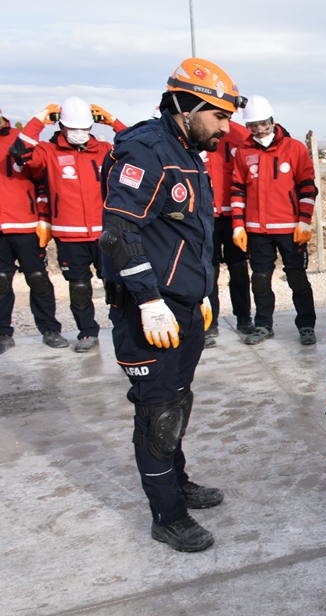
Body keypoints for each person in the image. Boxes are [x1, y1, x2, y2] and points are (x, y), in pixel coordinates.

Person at [100, 57, 246, 553]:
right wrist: (149, 302)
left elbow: (189, 236)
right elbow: (120, 232)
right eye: (219, 117)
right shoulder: (147, 152)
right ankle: (168, 515)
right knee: (157, 413)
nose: (226, 128)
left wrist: (203, 294)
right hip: (149, 314)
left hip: (183, 309)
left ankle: (176, 482)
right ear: (186, 106)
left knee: (177, 400)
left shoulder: (188, 152)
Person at [10, 97, 127, 352]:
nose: (79, 134)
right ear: (61, 126)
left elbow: (137, 148)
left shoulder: (105, 149)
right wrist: (38, 121)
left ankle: (127, 329)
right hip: (69, 234)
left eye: (84, 128)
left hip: (105, 232)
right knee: (79, 288)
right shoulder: (48, 153)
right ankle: (87, 333)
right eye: (73, 128)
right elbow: (19, 153)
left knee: (118, 284)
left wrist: (113, 121)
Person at [230, 95, 318, 346]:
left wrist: (304, 221)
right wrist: (238, 225)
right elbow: (237, 190)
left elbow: (308, 187)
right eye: (253, 126)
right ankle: (263, 325)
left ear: (273, 121)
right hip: (257, 229)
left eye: (263, 125)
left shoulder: (294, 148)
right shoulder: (244, 152)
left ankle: (306, 325)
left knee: (297, 278)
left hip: (290, 229)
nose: (258, 130)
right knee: (259, 279)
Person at [0, 105, 65, 352]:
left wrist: (44, 218)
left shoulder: (19, 139)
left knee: (38, 280)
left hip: (26, 223)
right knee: (1, 282)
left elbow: (40, 179)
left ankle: (50, 329)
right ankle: (3, 334)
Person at [201, 118, 253, 347]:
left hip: (234, 216)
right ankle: (209, 322)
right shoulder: (199, 130)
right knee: (208, 273)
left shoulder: (240, 134)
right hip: (205, 216)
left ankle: (244, 318)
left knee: (239, 269)